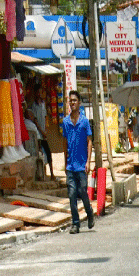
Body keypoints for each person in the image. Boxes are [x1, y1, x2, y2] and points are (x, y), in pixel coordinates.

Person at [62, 90, 95, 234]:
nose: (72, 103)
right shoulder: (65, 122)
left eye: (75, 100)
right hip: (70, 165)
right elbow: (64, 142)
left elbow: (89, 142)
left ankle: (89, 213)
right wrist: (65, 161)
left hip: (82, 165)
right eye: (71, 100)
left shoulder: (84, 121)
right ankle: (75, 223)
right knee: (71, 194)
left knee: (82, 191)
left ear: (79, 103)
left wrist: (88, 161)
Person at [27, 88, 54, 179]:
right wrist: (42, 131)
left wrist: (46, 129)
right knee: (41, 154)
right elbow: (35, 120)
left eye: (40, 92)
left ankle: (52, 174)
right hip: (38, 134)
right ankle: (43, 174)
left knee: (48, 153)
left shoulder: (43, 104)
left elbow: (46, 117)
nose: (39, 94)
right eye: (38, 92)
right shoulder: (33, 106)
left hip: (44, 133)